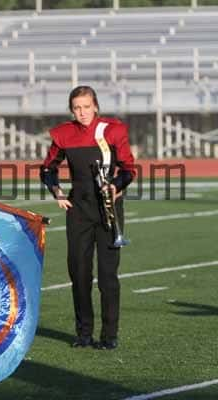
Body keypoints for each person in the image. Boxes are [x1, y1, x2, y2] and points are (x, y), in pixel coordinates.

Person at [40, 86, 136, 350]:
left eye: (86, 106)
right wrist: (57, 191)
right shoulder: (64, 134)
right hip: (78, 211)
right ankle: (83, 334)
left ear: (96, 106)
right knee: (80, 274)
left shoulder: (113, 130)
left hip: (108, 208)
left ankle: (109, 336)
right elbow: (48, 169)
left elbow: (128, 169)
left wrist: (116, 185)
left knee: (107, 277)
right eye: (77, 108)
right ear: (72, 110)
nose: (82, 112)